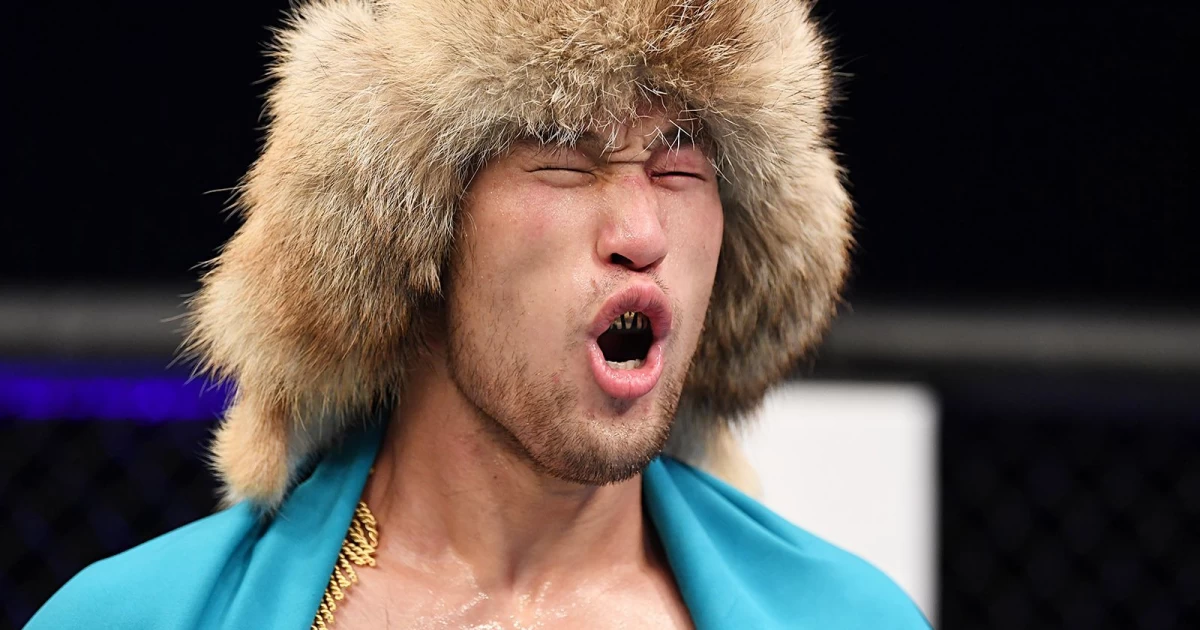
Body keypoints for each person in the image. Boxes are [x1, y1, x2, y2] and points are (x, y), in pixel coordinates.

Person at [28, 0, 930, 627]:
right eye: (564, 155)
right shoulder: (134, 617)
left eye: (681, 157)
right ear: (415, 232)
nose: (642, 232)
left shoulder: (852, 619)